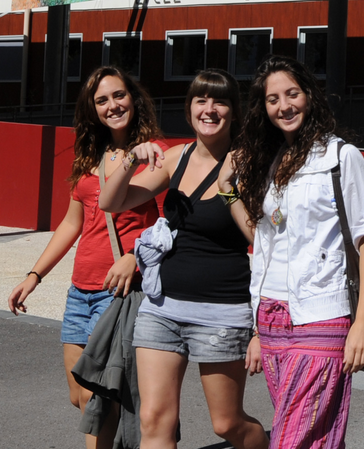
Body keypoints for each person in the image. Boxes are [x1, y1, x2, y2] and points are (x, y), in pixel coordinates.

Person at [221, 55, 364, 449]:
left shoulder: (341, 157)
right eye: (273, 99)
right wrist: (229, 191)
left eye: (292, 94)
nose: (284, 106)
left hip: (322, 315)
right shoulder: (272, 160)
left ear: (309, 96)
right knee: (314, 436)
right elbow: (263, 238)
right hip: (273, 317)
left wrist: (363, 322)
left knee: (290, 440)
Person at [97, 69, 268, 449]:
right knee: (153, 419)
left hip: (221, 311)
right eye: (200, 100)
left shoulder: (247, 162)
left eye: (220, 101)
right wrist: (130, 160)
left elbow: (261, 237)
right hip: (162, 308)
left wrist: (228, 190)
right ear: (189, 108)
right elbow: (110, 203)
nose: (209, 109)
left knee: (226, 424)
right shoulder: (176, 157)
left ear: (234, 112)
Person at [8, 66, 165, 449]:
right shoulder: (91, 156)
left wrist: (135, 257)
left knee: (99, 401)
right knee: (79, 395)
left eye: (119, 95)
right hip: (80, 292)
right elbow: (70, 224)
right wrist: (34, 275)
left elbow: (172, 222)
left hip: (119, 292)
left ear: (134, 98)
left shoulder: (155, 154)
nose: (113, 105)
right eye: (102, 100)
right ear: (92, 110)